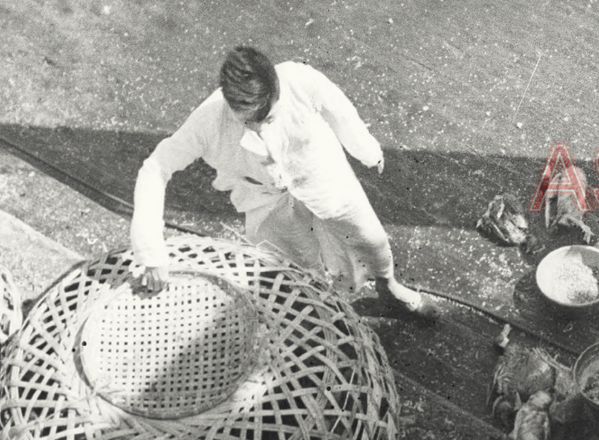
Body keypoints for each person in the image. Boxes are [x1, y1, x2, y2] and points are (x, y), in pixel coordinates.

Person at [130, 46, 434, 316]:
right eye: (248, 122)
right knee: (294, 264)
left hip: (320, 174)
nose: (260, 130)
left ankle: (388, 289)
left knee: (367, 238)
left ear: (277, 87)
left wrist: (366, 150)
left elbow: (340, 112)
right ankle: (321, 311)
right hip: (266, 197)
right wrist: (151, 252)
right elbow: (155, 168)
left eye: (269, 119)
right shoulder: (206, 123)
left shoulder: (300, 80)